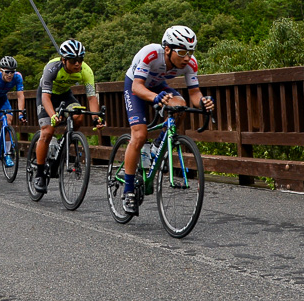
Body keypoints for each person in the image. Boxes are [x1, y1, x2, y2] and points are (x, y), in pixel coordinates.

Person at [120, 25, 215, 215]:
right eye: (181, 52)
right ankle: (128, 190)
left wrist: (203, 102)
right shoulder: (150, 54)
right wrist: (154, 98)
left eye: (190, 52)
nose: (187, 58)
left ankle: (158, 144)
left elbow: (194, 94)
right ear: (167, 49)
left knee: (180, 105)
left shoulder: (190, 63)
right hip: (136, 85)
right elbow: (137, 88)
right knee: (139, 135)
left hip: (157, 85)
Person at [33, 39, 101, 193]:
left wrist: (96, 118)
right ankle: (39, 173)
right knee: (47, 131)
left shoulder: (86, 71)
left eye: (80, 60)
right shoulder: (52, 68)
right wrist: (53, 115)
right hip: (47, 96)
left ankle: (67, 140)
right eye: (73, 60)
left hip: (65, 95)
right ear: (64, 60)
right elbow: (45, 98)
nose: (78, 64)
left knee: (78, 116)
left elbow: (91, 98)